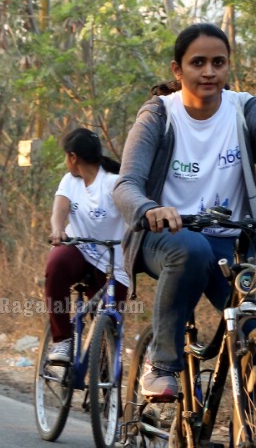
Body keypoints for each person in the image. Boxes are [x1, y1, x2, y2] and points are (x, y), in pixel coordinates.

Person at [115, 22, 256, 401]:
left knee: (252, 329)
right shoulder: (159, 115)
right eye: (198, 63)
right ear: (178, 70)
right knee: (192, 250)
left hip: (235, 243)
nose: (209, 71)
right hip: (168, 239)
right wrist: (150, 209)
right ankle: (161, 365)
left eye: (218, 62)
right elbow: (126, 184)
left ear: (228, 66)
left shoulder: (244, 111)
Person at [44, 129, 129, 364]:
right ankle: (62, 341)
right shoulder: (70, 181)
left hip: (113, 262)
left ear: (73, 157)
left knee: (106, 335)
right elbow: (59, 211)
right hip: (78, 249)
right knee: (56, 262)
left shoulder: (114, 183)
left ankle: (106, 394)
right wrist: (58, 230)